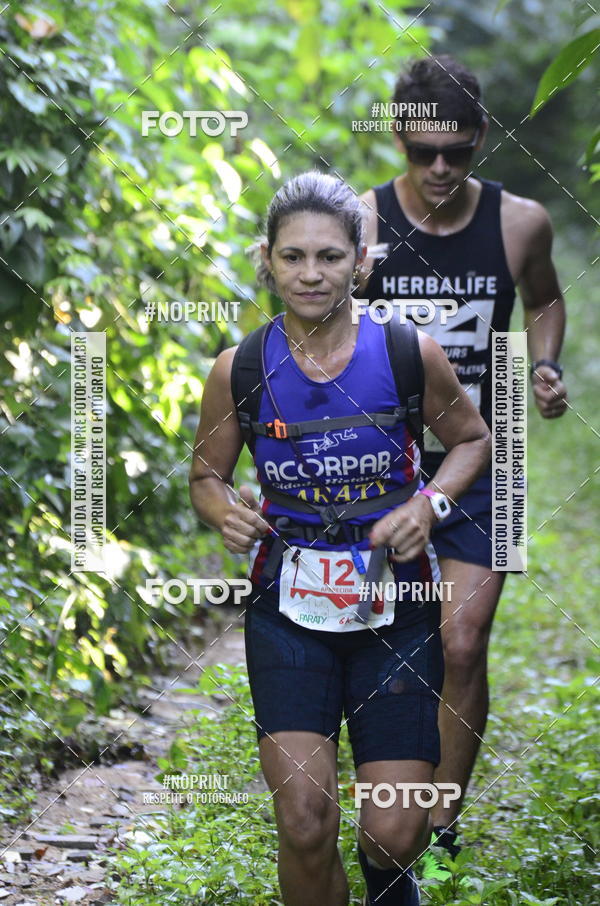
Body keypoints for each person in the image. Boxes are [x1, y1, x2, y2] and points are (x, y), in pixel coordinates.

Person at [189, 170, 491, 906]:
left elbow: (472, 441)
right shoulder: (241, 368)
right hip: (288, 610)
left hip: (397, 606)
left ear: (361, 260)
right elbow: (205, 476)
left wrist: (430, 502)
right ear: (267, 259)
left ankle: (397, 887)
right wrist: (221, 509)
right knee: (303, 819)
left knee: (393, 833)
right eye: (293, 257)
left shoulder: (405, 353)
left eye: (329, 256)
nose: (311, 273)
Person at [358, 55, 568, 857]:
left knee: (461, 639)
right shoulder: (363, 227)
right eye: (423, 153)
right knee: (381, 638)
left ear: (482, 136)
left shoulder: (521, 223)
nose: (440, 168)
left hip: (493, 448)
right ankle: (385, 789)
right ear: (399, 140)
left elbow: (545, 297)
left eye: (458, 151)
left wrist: (545, 365)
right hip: (381, 457)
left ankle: (440, 818)